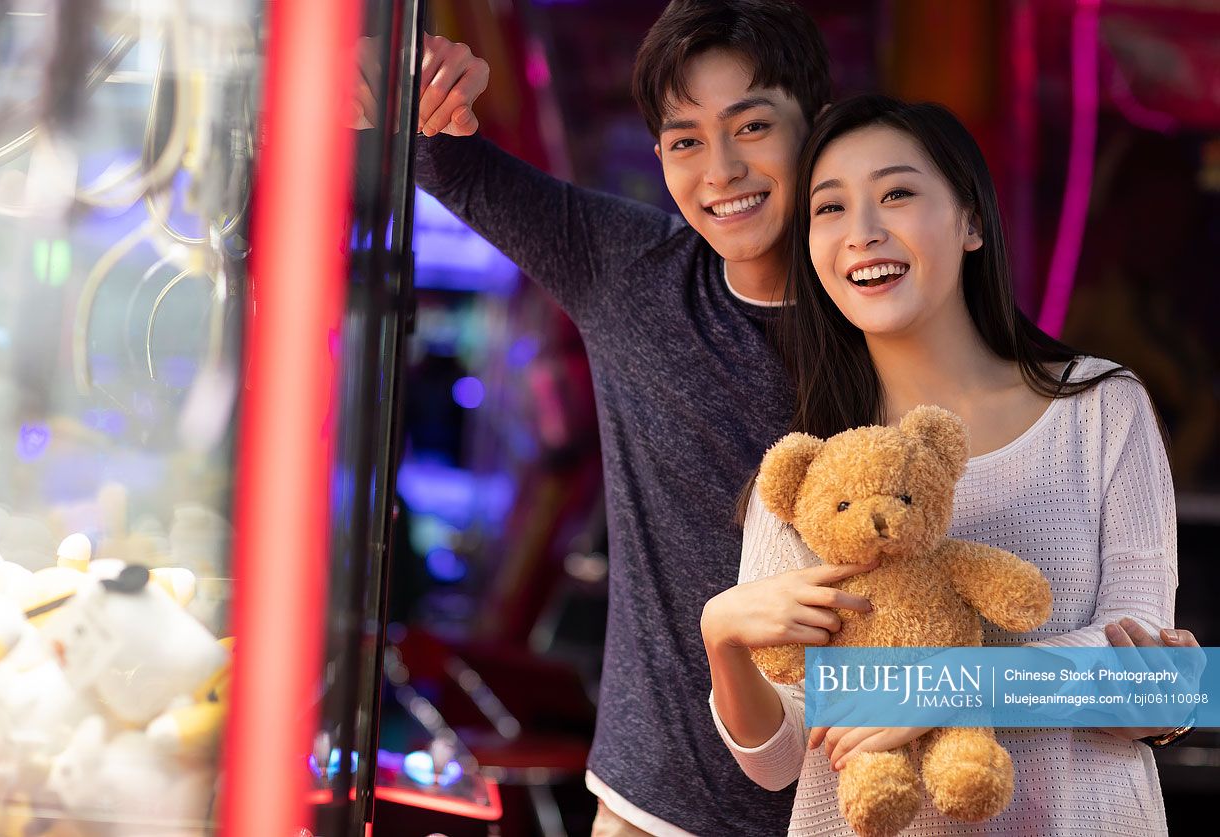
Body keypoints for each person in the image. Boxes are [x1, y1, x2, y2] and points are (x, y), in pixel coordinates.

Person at [355, 3, 1198, 833]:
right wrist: (402, 81)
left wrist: (1011, 688)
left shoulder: (1045, 392)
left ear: (816, 130)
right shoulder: (743, 378)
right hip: (675, 807)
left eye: (752, 126)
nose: (721, 170)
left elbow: (1157, 685)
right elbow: (442, 155)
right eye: (686, 139)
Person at [699, 94, 1199, 836]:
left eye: (896, 193)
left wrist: (938, 689)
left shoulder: (1100, 408)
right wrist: (720, 638)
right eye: (828, 209)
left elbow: (1139, 673)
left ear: (970, 221)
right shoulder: (813, 473)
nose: (862, 233)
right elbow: (777, 759)